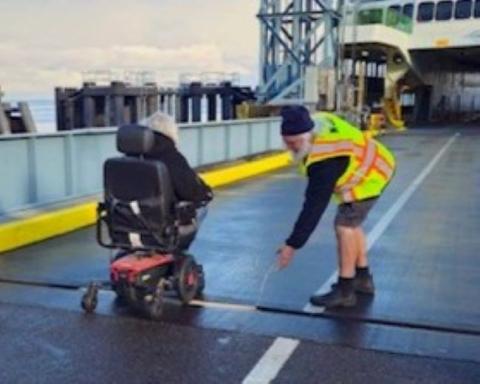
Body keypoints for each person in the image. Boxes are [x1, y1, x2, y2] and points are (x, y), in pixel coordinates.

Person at [276, 106, 396, 308]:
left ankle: (346, 290)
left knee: (344, 226)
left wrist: (292, 244)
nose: (291, 148)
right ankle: (363, 278)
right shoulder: (317, 122)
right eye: (287, 143)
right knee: (352, 222)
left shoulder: (325, 160)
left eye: (295, 143)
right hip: (375, 162)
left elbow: (314, 207)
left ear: (307, 137)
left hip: (370, 176)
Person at [142, 112, 213, 247]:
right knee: (202, 207)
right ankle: (177, 251)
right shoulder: (172, 157)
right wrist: (206, 193)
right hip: (161, 227)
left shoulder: (125, 161)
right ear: (171, 132)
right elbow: (192, 192)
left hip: (128, 226)